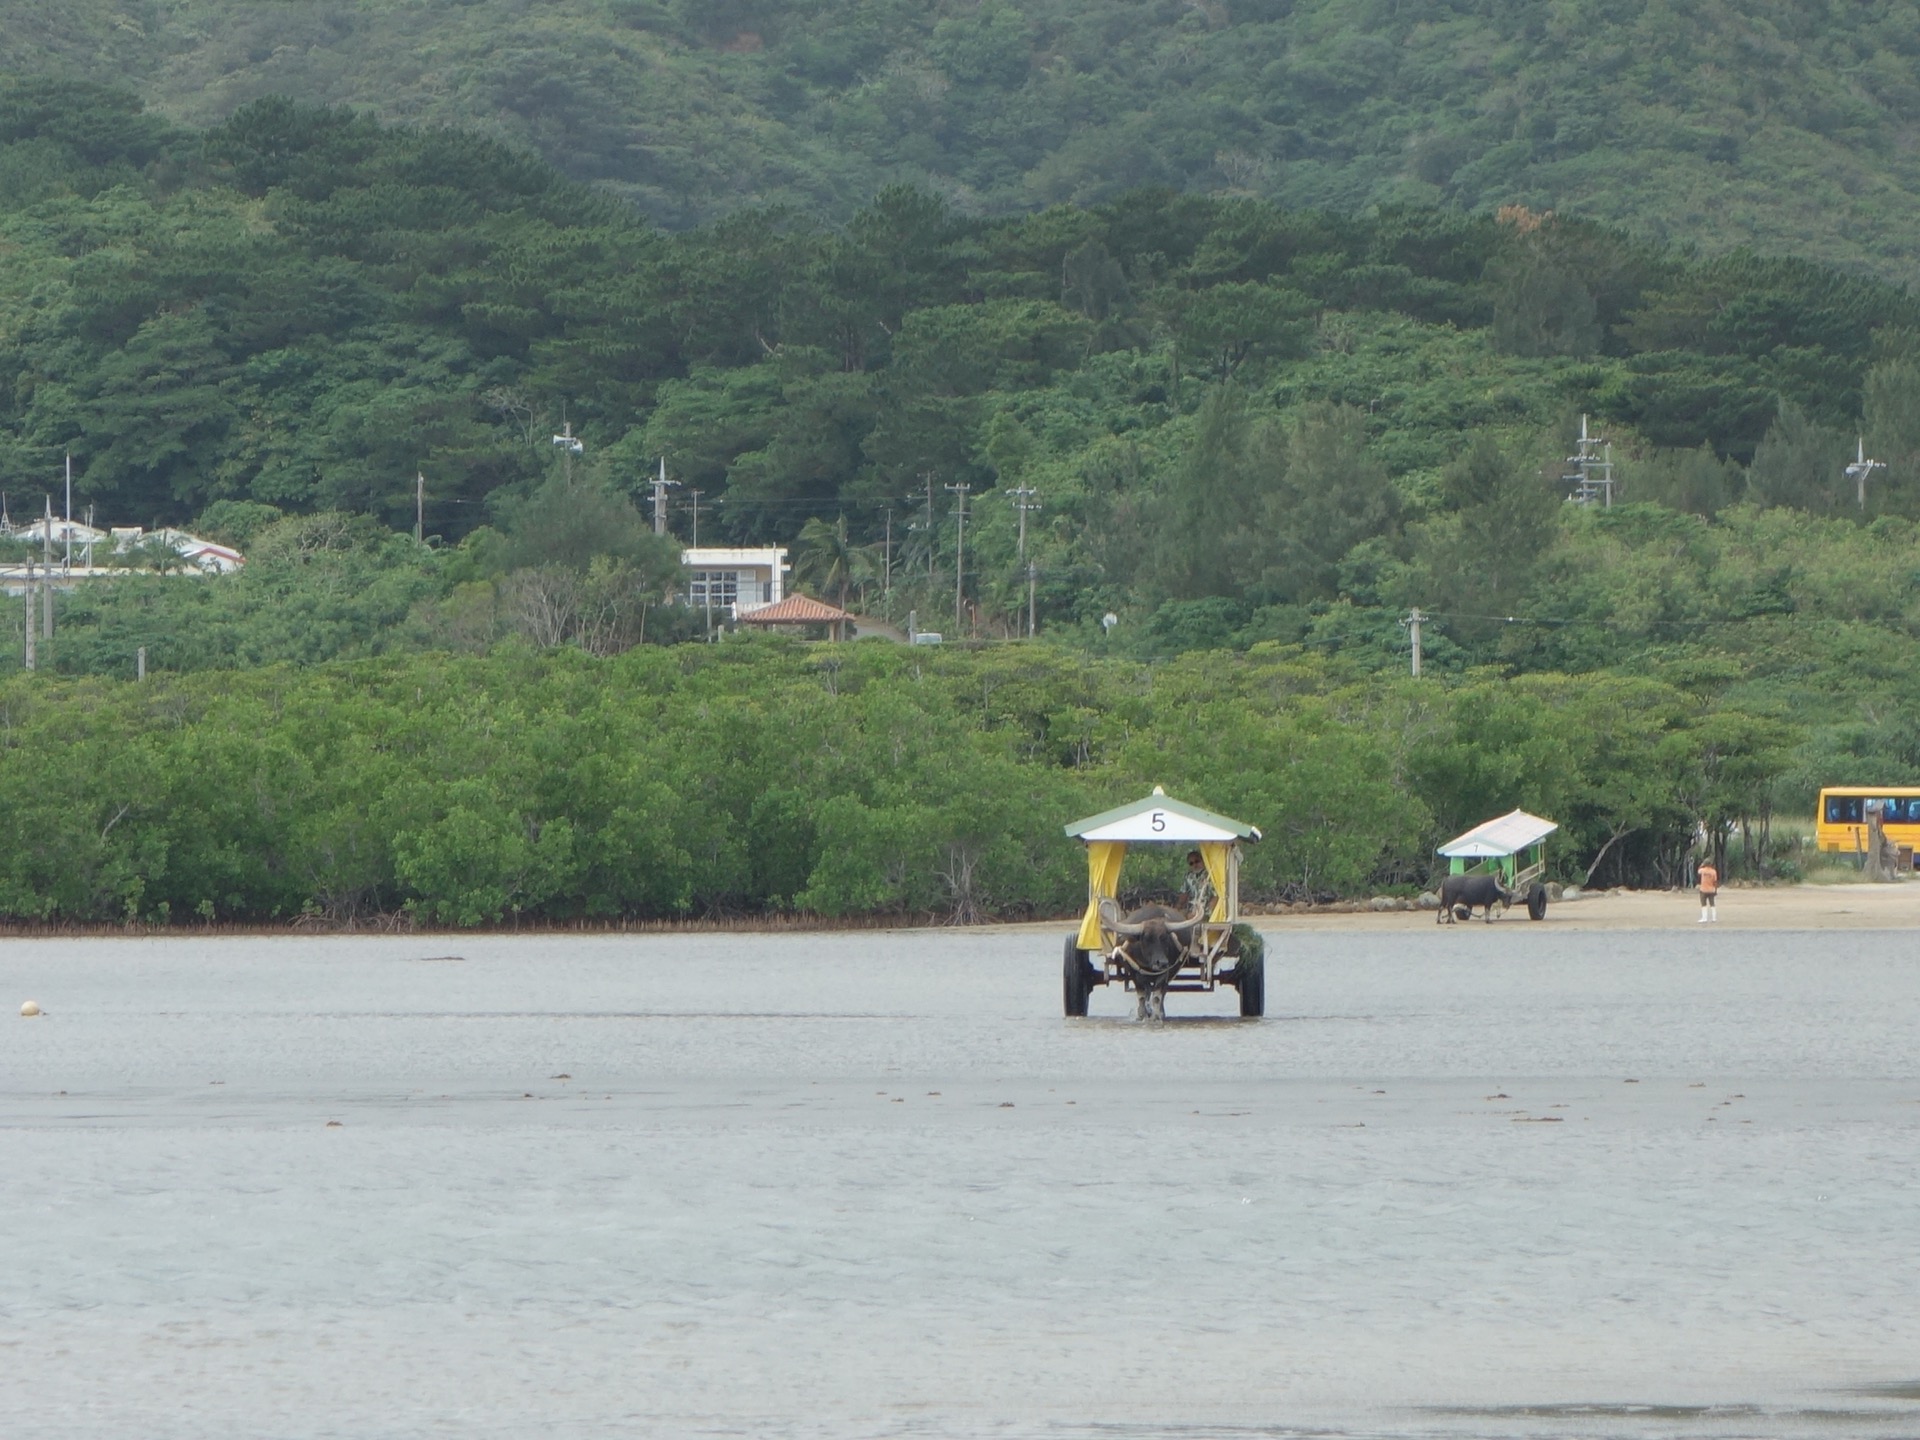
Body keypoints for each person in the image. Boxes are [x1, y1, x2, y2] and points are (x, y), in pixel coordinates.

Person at [1184, 850, 1215, 918]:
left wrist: (1208, 913)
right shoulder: (1188, 876)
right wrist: (1178, 908)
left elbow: (1216, 896)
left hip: (1206, 913)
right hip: (1191, 913)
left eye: (1197, 861)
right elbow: (1184, 894)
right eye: (1191, 863)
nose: (1195, 865)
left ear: (1203, 860)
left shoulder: (1211, 875)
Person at [1696, 857, 1719, 923]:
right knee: (1712, 904)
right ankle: (1714, 918)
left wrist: (1701, 865)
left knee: (1703, 904)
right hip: (1711, 889)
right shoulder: (1713, 871)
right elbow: (1715, 882)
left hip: (1703, 889)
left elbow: (1698, 871)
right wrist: (1715, 890)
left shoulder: (1703, 870)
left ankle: (1704, 918)